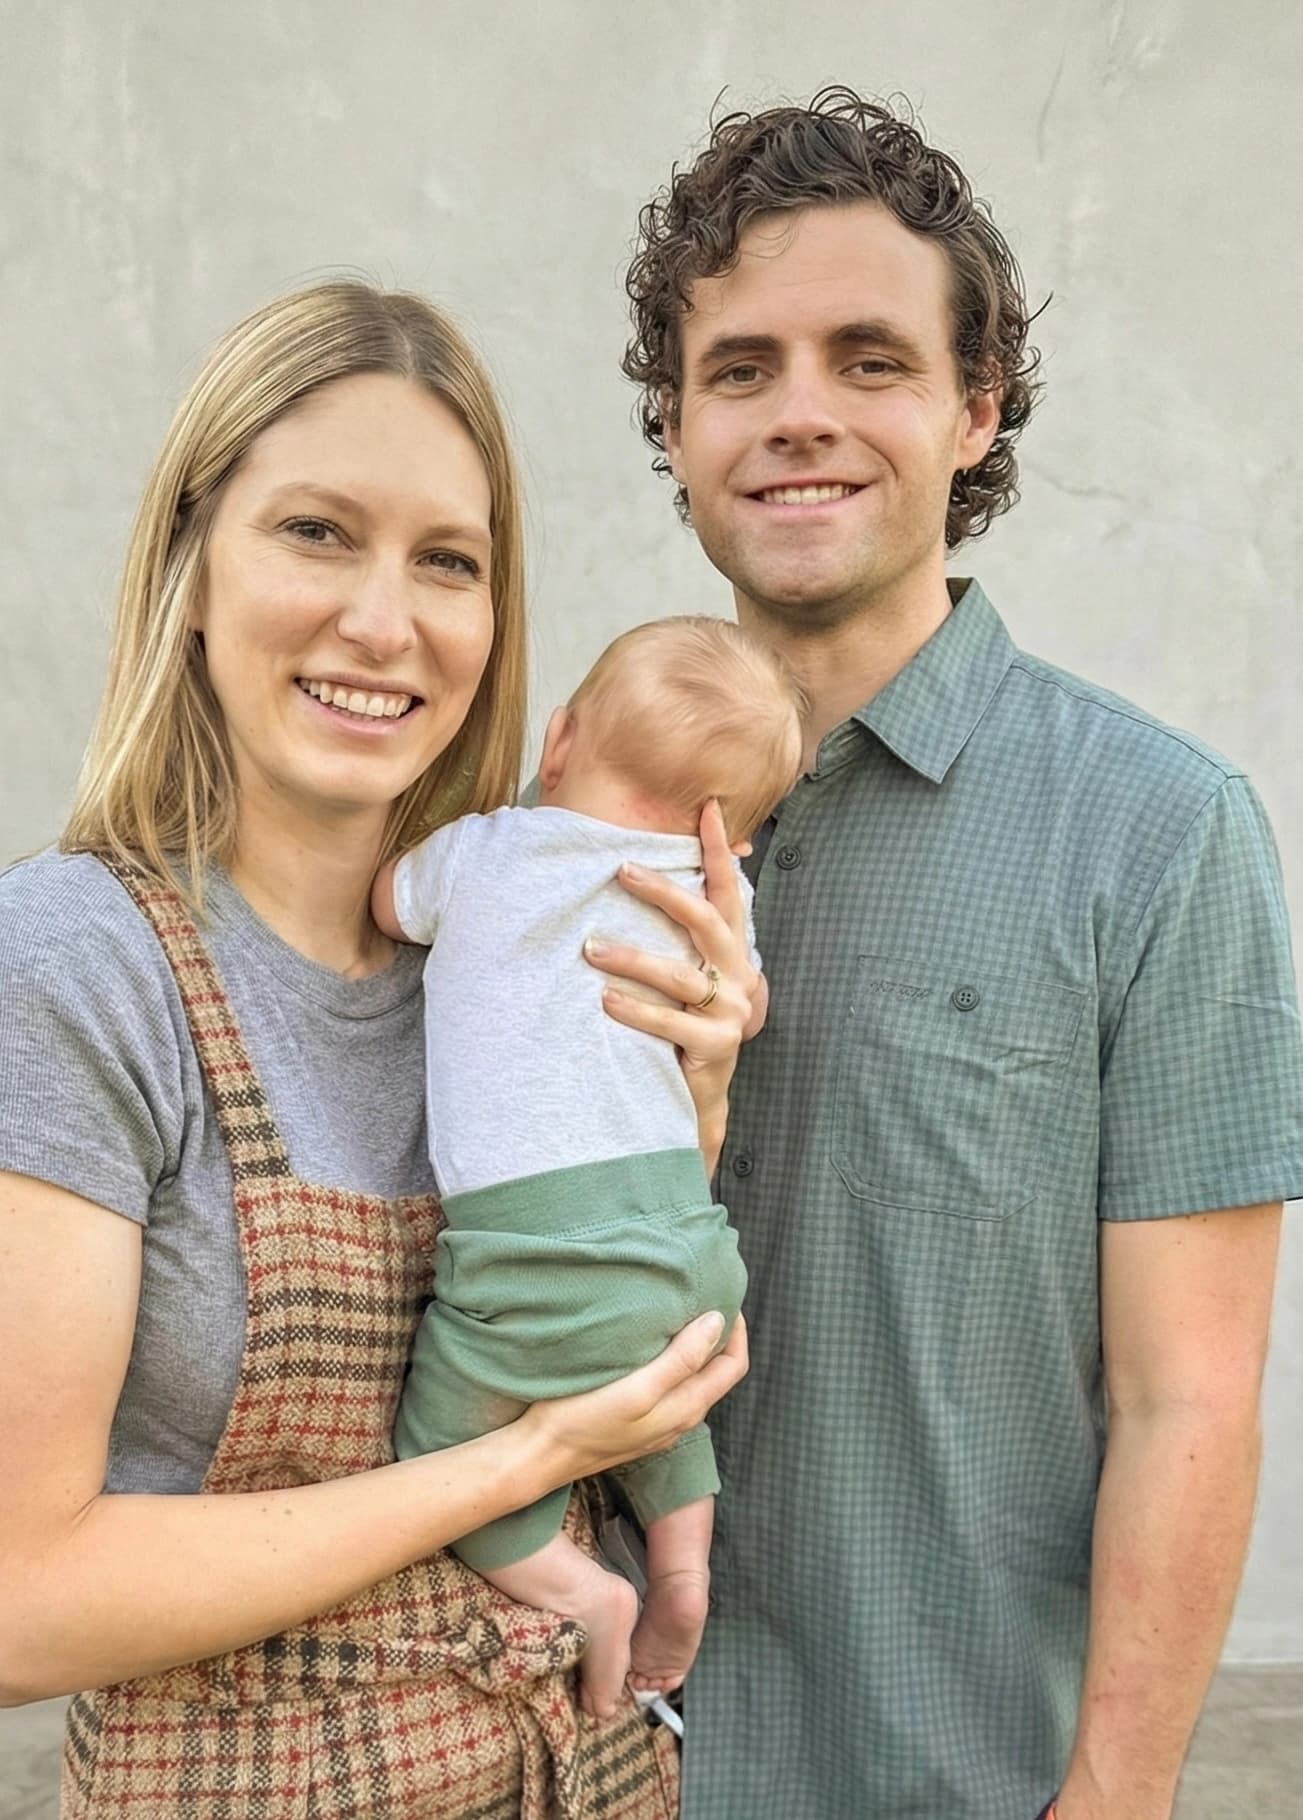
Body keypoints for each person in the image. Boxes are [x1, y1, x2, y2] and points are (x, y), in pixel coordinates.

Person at [620, 88, 1303, 1820]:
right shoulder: (555, 823)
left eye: (868, 359)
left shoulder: (1157, 837)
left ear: (970, 406)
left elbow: (1186, 1405)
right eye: (739, 368)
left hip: (950, 1779)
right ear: (676, 424)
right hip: (567, 1771)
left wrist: (1117, 1799)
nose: (798, 418)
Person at [0, 281, 757, 1820]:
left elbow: (616, 1319)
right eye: (317, 532)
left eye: (447, 562)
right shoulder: (81, 964)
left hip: (594, 1771)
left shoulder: (533, 949)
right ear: (192, 568)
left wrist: (696, 1104)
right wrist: (519, 1458)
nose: (383, 620)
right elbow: (20, 1600)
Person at [372, 616, 804, 1721]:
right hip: (689, 1242)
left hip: (534, 1250)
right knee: (666, 1400)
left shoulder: (487, 849)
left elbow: (386, 904)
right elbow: (737, 999)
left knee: (441, 1455)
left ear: (556, 737)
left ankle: (594, 1600)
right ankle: (682, 1568)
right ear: (729, 832)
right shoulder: (712, 902)